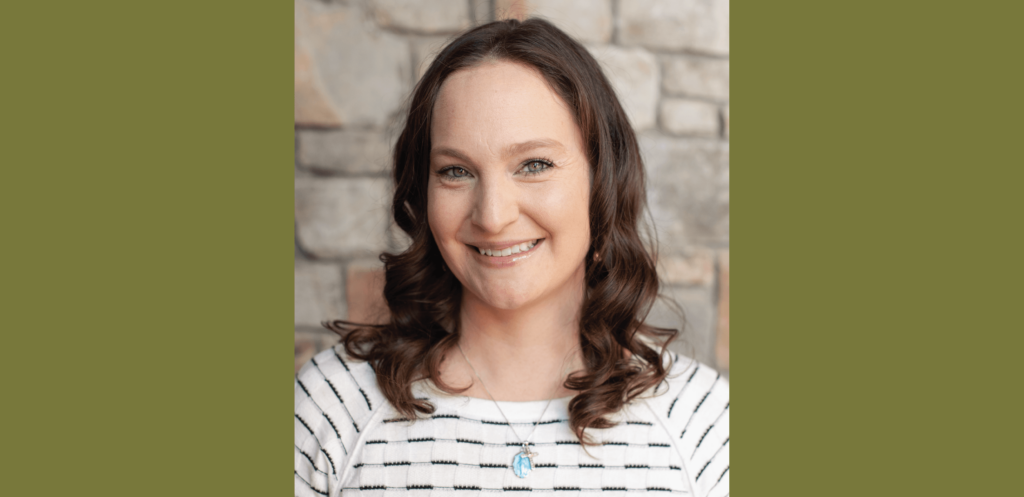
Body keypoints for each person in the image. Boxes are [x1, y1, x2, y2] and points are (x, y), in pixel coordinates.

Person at [295, 18, 729, 497]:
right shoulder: (330, 409)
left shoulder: (702, 426)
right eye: (456, 171)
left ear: (602, 181)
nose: (493, 216)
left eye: (534, 165)